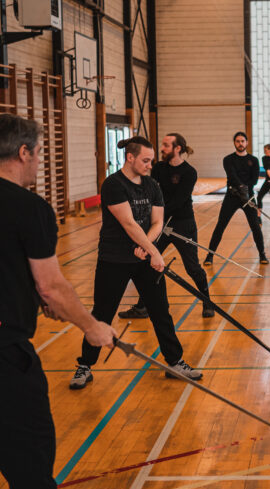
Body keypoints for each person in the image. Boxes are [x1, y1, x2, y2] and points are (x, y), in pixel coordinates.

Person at [0, 114, 116, 489]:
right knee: (31, 458)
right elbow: (52, 287)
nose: (39, 161)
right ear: (23, 152)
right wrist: (92, 326)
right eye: (39, 152)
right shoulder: (31, 208)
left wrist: (28, 297)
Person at [70, 135, 202, 389]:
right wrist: (153, 251)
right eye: (145, 160)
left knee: (160, 311)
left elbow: (157, 222)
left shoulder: (152, 185)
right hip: (113, 259)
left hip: (142, 256)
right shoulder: (113, 185)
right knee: (102, 314)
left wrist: (146, 248)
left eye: (151, 160)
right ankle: (84, 366)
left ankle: (175, 362)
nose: (150, 165)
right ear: (129, 158)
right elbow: (129, 223)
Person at [119, 133, 215, 320]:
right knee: (147, 261)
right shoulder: (159, 169)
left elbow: (178, 201)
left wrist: (156, 212)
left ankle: (207, 302)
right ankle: (142, 306)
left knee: (192, 267)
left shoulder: (189, 172)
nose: (161, 148)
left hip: (183, 224)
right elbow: (151, 191)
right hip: (159, 223)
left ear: (177, 148)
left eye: (165, 145)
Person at [204, 131, 268, 266]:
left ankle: (262, 254)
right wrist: (240, 188)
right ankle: (210, 255)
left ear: (247, 143)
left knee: (256, 226)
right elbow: (232, 176)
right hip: (232, 197)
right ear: (234, 143)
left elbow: (254, 180)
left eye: (242, 141)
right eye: (238, 141)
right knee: (220, 226)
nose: (240, 143)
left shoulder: (254, 160)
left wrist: (245, 191)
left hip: (248, 197)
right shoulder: (228, 159)